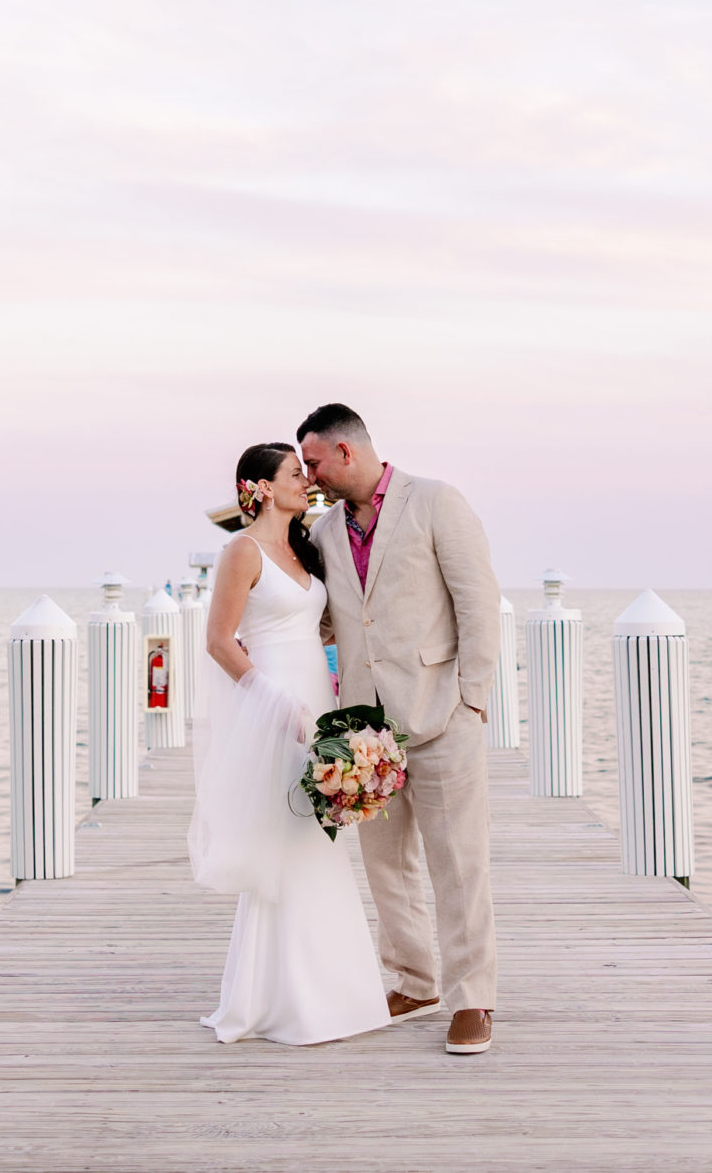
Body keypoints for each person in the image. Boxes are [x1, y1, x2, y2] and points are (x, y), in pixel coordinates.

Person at [297, 403, 501, 1055]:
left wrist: (473, 696)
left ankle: (473, 997)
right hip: (361, 724)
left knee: (458, 862)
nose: (310, 475)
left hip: (442, 712)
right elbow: (333, 618)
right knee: (385, 865)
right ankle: (415, 981)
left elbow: (476, 598)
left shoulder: (437, 502)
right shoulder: (326, 529)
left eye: (314, 462)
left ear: (345, 452)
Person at [188, 442, 392, 1046]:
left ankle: (338, 991)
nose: (308, 481)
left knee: (318, 839)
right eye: (295, 474)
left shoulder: (303, 547)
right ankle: (283, 998)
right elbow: (220, 641)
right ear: (262, 487)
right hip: (274, 708)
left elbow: (320, 624)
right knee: (289, 838)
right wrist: (276, 704)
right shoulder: (241, 550)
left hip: (317, 702)